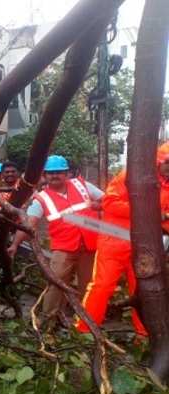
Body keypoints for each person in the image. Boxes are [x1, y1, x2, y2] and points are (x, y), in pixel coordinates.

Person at [75, 144, 169, 337]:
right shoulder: (132, 175)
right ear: (160, 161)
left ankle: (143, 336)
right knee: (102, 286)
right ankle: (84, 332)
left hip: (146, 248)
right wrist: (149, 212)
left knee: (144, 291)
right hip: (114, 242)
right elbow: (109, 203)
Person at [7, 155, 103, 328]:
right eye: (50, 173)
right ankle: (47, 321)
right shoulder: (42, 198)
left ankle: (86, 322)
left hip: (89, 245)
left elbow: (107, 200)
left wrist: (100, 207)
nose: (54, 176)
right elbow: (29, 223)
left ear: (67, 173)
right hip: (64, 248)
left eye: (59, 172)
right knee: (55, 282)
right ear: (45, 175)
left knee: (88, 286)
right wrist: (14, 244)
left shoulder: (83, 186)